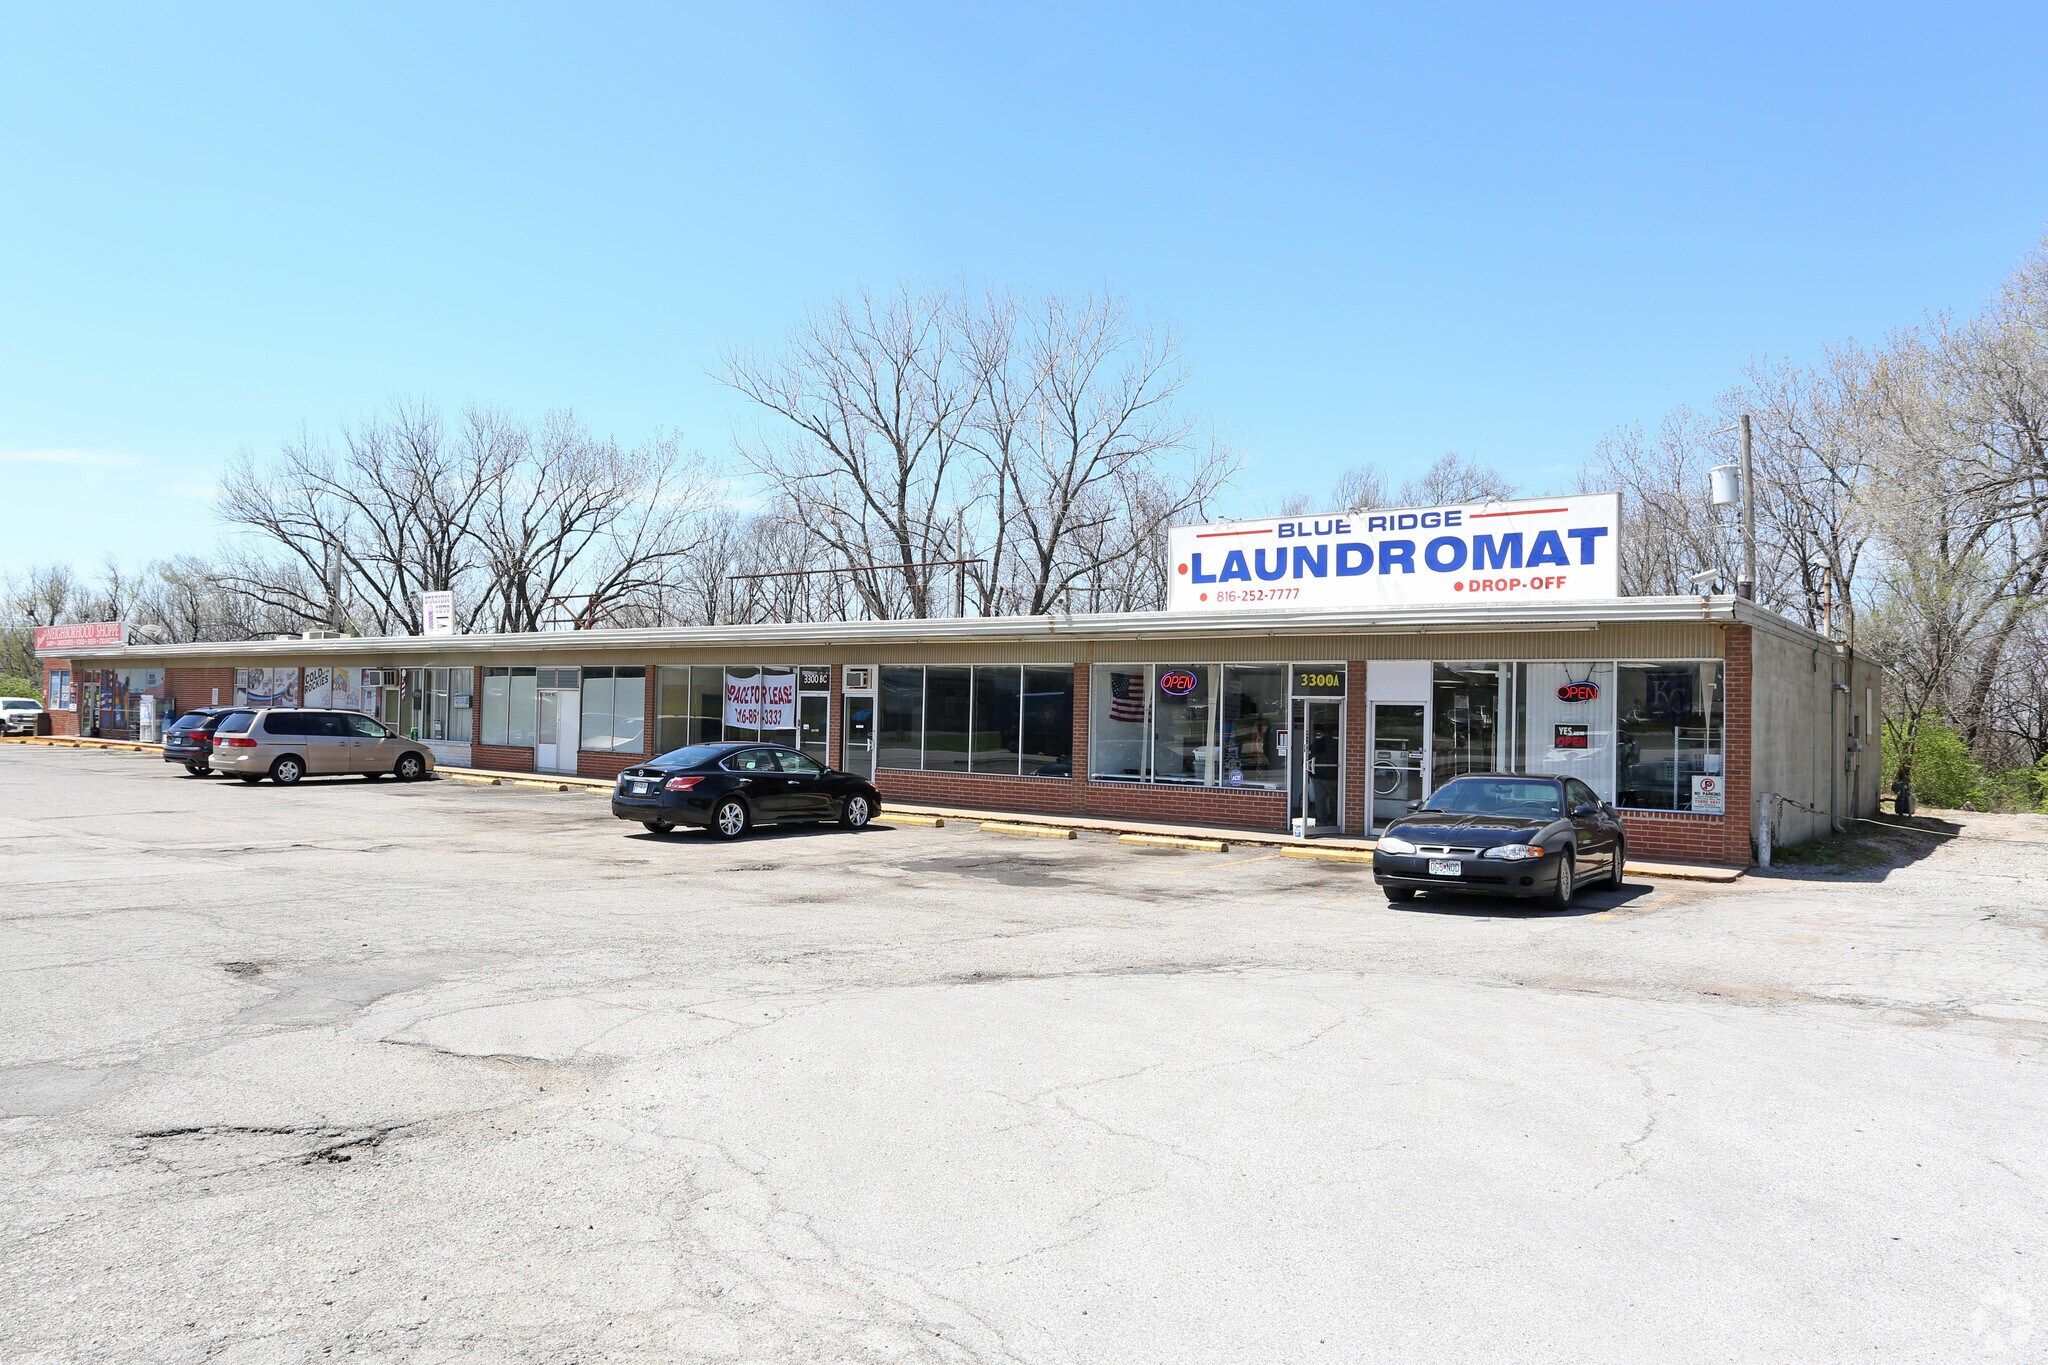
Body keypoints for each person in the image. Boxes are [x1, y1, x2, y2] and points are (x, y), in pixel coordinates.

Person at [1309, 726, 1339, 827]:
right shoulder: (1336, 744)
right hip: (1332, 776)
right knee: (1334, 799)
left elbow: (1308, 757)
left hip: (1317, 775)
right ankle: (1336, 821)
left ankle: (1322, 821)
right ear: (1332, 732)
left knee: (1320, 799)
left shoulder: (1316, 743)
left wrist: (1310, 773)